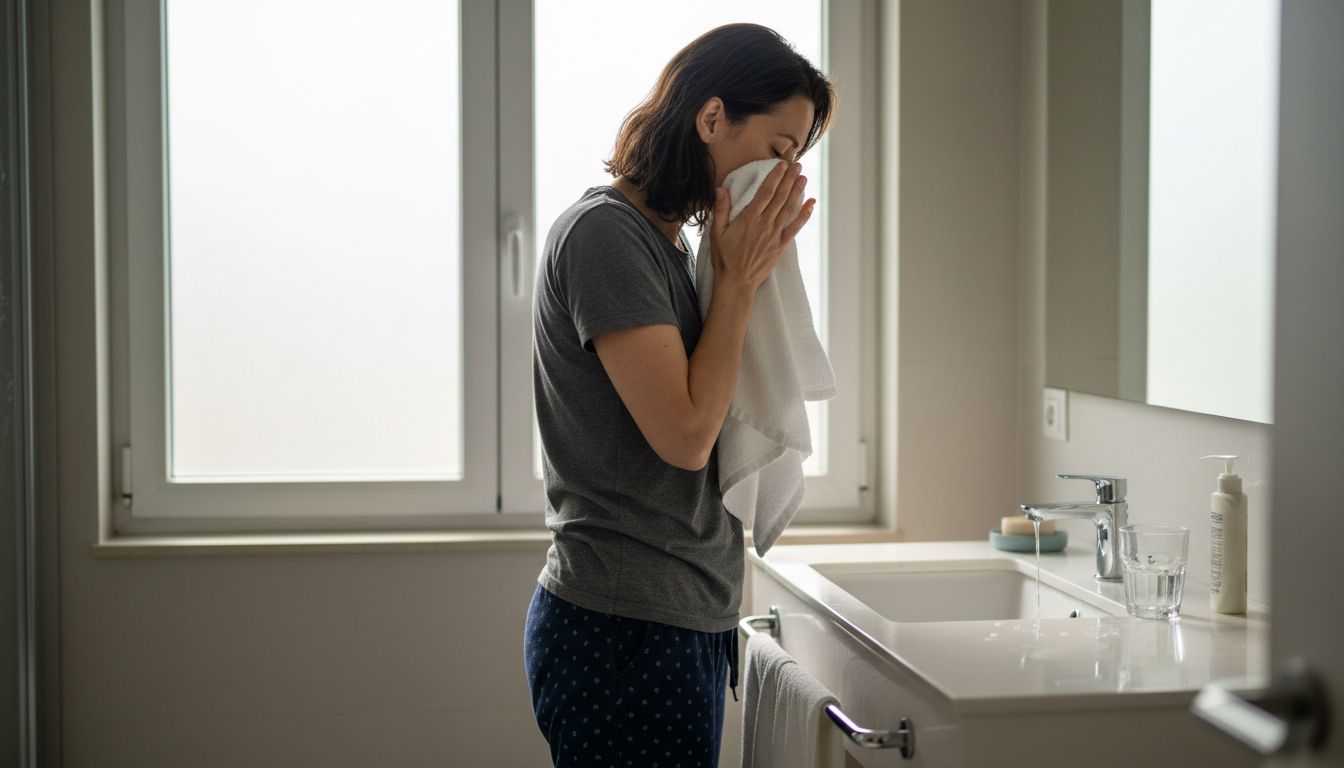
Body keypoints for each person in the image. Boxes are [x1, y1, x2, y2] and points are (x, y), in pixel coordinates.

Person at [523, 22, 837, 767]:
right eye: (780, 150)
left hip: (669, 620)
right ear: (711, 119)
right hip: (622, 630)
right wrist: (738, 281)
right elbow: (688, 436)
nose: (788, 177)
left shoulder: (668, 244)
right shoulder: (607, 237)